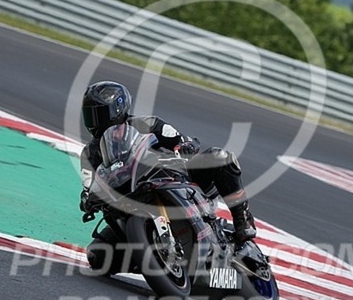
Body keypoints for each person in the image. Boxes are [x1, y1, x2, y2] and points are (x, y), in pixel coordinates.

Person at [79, 80, 257, 245]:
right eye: (90, 115)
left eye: (99, 114)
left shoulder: (147, 124)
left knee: (219, 157)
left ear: (117, 109)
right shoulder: (90, 153)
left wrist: (184, 145)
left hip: (163, 177)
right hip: (126, 203)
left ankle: (242, 218)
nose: (94, 121)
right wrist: (88, 199)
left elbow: (178, 138)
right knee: (97, 254)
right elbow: (88, 185)